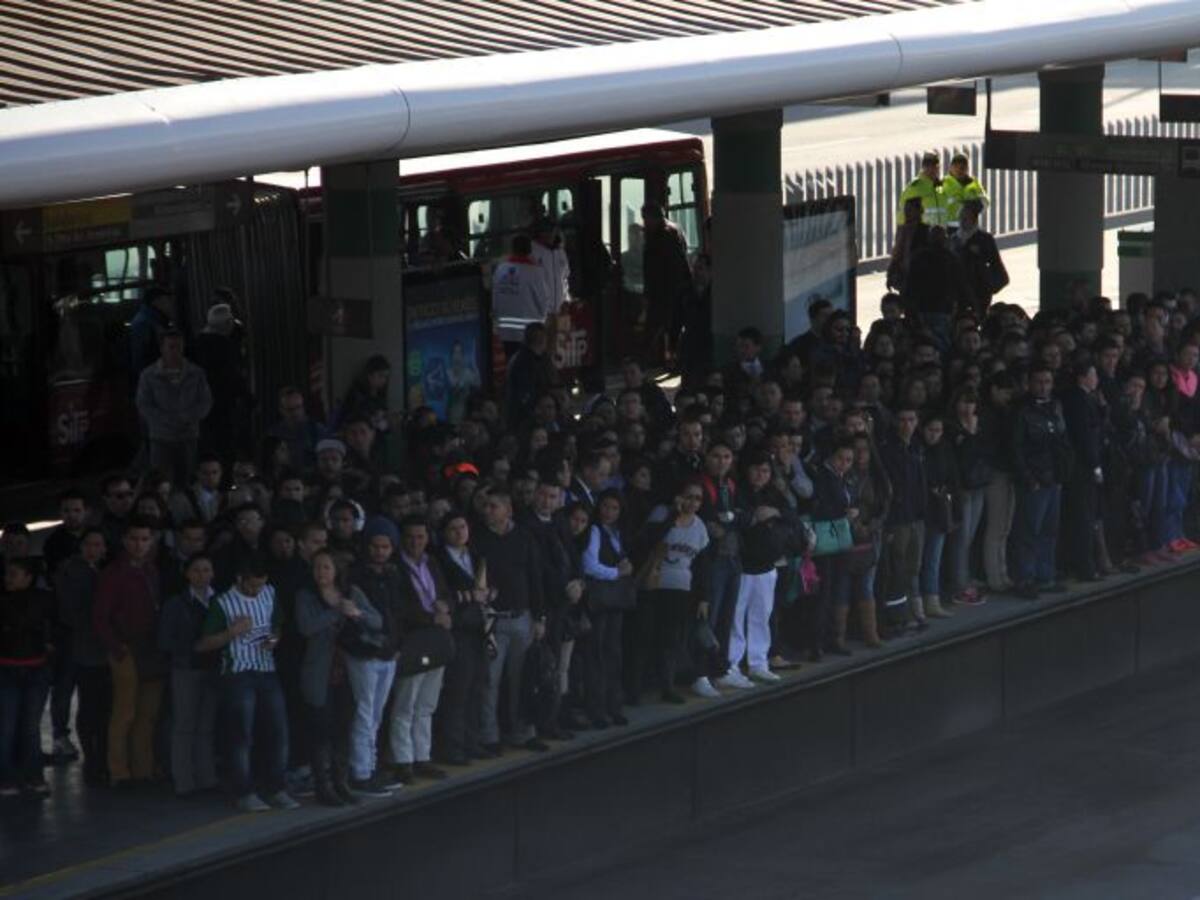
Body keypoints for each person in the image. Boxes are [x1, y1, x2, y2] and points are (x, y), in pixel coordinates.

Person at [197, 554, 298, 812]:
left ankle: (276, 788)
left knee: (278, 730)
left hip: (267, 668)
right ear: (240, 579)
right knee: (241, 734)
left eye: (260, 585)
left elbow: (278, 625)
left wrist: (273, 640)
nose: (256, 590)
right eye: (252, 585)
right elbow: (203, 643)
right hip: (237, 673)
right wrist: (232, 632)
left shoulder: (269, 594)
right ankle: (243, 791)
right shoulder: (223, 602)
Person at [92, 518, 165, 789]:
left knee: (147, 714)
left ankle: (143, 769)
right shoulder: (114, 574)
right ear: (124, 541)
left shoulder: (151, 570)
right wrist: (116, 647)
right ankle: (119, 772)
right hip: (127, 649)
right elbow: (100, 616)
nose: (139, 545)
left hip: (152, 648)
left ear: (152, 541)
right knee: (125, 713)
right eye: (134, 539)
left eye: (145, 539)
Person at [473, 489, 547, 751]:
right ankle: (489, 735)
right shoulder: (479, 539)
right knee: (489, 681)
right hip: (492, 619)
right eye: (486, 506)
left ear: (508, 510)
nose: (488, 511)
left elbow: (535, 577)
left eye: (494, 506)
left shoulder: (524, 538)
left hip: (521, 616)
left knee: (523, 678)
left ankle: (523, 732)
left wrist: (539, 617)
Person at [388, 516, 454, 783]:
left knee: (427, 702)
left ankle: (422, 756)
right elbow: (400, 608)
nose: (415, 542)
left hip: (435, 640)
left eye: (420, 536)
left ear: (427, 538)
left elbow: (445, 592)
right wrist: (432, 618)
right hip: (412, 640)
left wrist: (446, 606)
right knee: (406, 703)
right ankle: (403, 761)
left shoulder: (432, 562)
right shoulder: (395, 567)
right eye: (410, 537)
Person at [636, 480, 710, 703]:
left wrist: (703, 597)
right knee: (645, 636)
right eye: (689, 496)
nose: (692, 502)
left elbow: (702, 565)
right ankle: (636, 687)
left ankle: (667, 686)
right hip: (654, 585)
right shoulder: (662, 514)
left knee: (671, 639)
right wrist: (672, 516)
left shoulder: (699, 527)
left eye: (698, 499)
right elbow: (647, 540)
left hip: (680, 589)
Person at [157, 552, 219, 797]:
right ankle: (184, 781)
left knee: (206, 726)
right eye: (196, 570)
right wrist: (192, 647)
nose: (202, 575)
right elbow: (164, 640)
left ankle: (207, 778)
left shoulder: (220, 600)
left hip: (212, 669)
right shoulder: (175, 604)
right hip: (186, 669)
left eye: (206, 570)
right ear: (187, 574)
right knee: (184, 725)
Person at [433, 511, 493, 765]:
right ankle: (453, 747)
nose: (459, 532)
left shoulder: (476, 556)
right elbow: (442, 594)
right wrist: (469, 596)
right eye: (453, 528)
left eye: (463, 527)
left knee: (478, 687)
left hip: (480, 627)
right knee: (458, 689)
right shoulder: (439, 560)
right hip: (458, 629)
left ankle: (472, 741)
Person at [1009, 366, 1073, 599]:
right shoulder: (1022, 411)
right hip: (1035, 479)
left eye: (1047, 381)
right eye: (1039, 381)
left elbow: (1063, 440)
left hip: (1054, 477)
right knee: (1028, 531)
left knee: (1049, 530)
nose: (1043, 386)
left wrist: (1063, 472)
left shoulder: (1056, 407)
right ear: (1029, 383)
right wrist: (1028, 478)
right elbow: (1016, 449)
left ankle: (1045, 576)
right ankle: (1025, 579)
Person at [55, 529, 110, 785]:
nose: (93, 549)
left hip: (94, 647)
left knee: (95, 705)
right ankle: (93, 758)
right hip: (85, 648)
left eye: (98, 545)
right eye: (89, 544)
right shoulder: (73, 572)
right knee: (90, 706)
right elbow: (70, 611)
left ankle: (96, 757)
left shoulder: (95, 571)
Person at [0, 558, 55, 797]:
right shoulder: (40, 601)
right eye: (7, 574)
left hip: (31, 668)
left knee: (26, 726)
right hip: (12, 668)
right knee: (10, 727)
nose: (8, 579)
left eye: (13, 574)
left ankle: (27, 775)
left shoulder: (41, 600)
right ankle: (15, 776)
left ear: (28, 577)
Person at [581, 489, 634, 726]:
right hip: (600, 600)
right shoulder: (594, 530)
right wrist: (616, 572)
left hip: (614, 601)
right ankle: (597, 708)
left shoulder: (617, 533)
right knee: (598, 654)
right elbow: (589, 565)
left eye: (614, 508)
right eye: (605, 506)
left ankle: (613, 705)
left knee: (614, 653)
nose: (609, 512)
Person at [135, 329, 213, 485]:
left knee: (188, 478)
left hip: (188, 435)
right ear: (162, 348)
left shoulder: (196, 373)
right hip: (161, 437)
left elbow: (205, 401)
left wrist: (188, 417)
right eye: (171, 346)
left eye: (179, 347)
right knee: (160, 480)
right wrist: (165, 420)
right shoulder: (149, 375)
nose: (175, 351)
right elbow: (143, 404)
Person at [194, 301, 251, 463]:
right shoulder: (224, 346)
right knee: (225, 445)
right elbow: (232, 376)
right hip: (223, 402)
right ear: (226, 324)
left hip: (201, 404)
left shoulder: (197, 343)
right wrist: (248, 397)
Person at [952, 200, 1008, 316]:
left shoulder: (985, 239)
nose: (962, 221)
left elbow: (998, 267)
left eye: (965, 218)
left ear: (974, 219)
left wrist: (988, 286)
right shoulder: (953, 240)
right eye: (961, 218)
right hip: (956, 294)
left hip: (979, 295)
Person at [897, 151, 948, 227]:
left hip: (940, 232)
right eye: (928, 166)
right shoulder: (915, 187)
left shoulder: (940, 186)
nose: (931, 169)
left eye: (934, 166)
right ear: (923, 168)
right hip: (921, 232)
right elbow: (903, 217)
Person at [941, 152, 989, 228]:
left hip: (970, 227)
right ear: (950, 168)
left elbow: (985, 202)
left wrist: (974, 205)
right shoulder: (943, 183)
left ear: (967, 169)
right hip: (950, 227)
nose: (959, 170)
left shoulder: (974, 183)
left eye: (963, 167)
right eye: (956, 167)